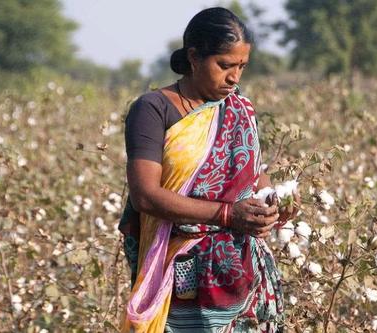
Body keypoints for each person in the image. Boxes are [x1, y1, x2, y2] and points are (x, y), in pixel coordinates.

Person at [119, 7, 294, 333]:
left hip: (244, 274)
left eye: (241, 66)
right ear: (195, 57)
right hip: (184, 275)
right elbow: (145, 195)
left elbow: (254, 172)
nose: (234, 77)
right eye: (225, 65)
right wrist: (227, 215)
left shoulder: (239, 107)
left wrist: (272, 202)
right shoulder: (153, 109)